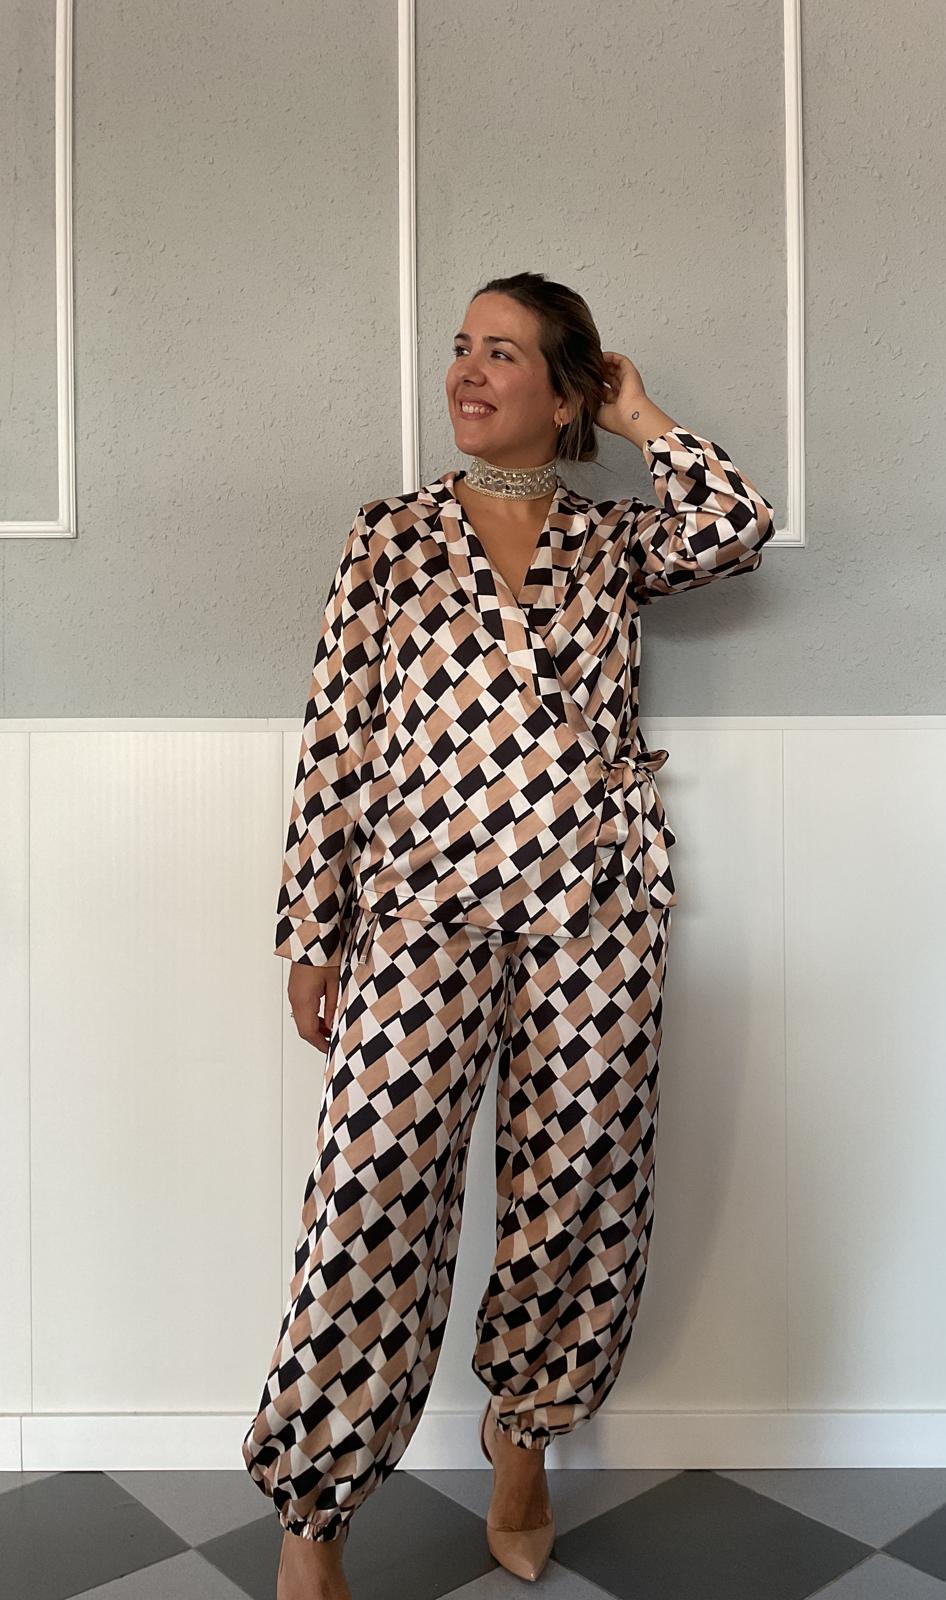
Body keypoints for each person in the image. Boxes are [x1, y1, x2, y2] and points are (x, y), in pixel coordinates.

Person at [242, 271, 775, 1599]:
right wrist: (313, 928)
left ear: (564, 389)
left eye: (502, 353)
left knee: (575, 1190)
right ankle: (314, 1518)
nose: (468, 373)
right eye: (461, 349)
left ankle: (524, 1437)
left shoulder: (611, 542)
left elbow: (736, 529)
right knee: (373, 1198)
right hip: (419, 910)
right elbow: (336, 738)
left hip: (592, 911)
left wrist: (645, 418)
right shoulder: (391, 536)